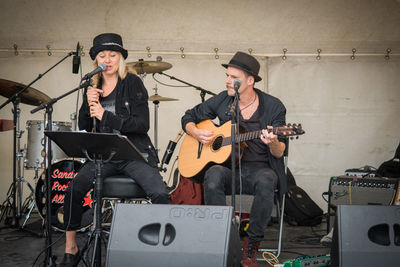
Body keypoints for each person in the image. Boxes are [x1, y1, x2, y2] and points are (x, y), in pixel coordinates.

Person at [59, 33, 170, 267]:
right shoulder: (93, 85)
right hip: (103, 155)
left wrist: (105, 115)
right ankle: (71, 247)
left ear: (120, 58)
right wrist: (89, 106)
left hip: (132, 153)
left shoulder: (132, 82)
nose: (108, 60)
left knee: (159, 193)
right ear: (95, 60)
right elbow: (85, 127)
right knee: (73, 189)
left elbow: (142, 124)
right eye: (102, 55)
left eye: (113, 55)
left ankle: (163, 248)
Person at [181, 51, 287, 267]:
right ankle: (221, 237)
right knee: (212, 174)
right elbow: (189, 116)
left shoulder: (274, 106)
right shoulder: (224, 99)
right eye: (227, 76)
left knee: (267, 179)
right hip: (229, 168)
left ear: (250, 81)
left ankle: (251, 245)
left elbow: (280, 152)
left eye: (233, 77)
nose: (228, 81)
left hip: (260, 170)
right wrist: (196, 133)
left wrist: (273, 142)